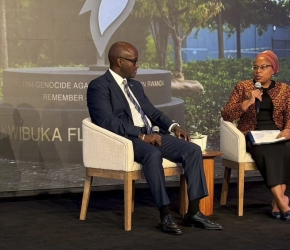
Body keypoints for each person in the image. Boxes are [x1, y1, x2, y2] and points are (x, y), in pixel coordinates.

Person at [87, 41, 222, 235]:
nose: (137, 65)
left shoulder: (135, 85)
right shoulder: (99, 86)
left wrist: (174, 126)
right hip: (125, 139)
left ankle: (193, 212)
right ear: (119, 61)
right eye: (134, 61)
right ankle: (165, 214)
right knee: (152, 154)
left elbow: (151, 112)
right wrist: (141, 135)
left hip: (150, 134)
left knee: (192, 150)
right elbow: (106, 121)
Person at [221, 50, 290, 221]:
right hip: (254, 135)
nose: (258, 71)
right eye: (255, 67)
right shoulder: (243, 87)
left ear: (273, 69)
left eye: (263, 67)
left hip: (279, 133)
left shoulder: (284, 89)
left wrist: (288, 130)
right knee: (266, 152)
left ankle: (276, 202)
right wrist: (247, 102)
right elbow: (227, 115)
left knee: (288, 149)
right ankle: (282, 200)